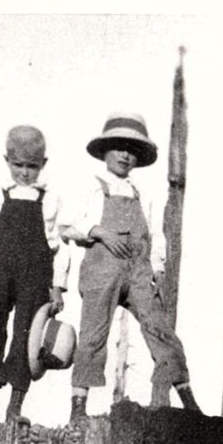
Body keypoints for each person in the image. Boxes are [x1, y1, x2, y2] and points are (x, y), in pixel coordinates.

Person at [60, 111, 201, 422]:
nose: (125, 155)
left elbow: (155, 234)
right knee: (93, 335)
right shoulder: (92, 186)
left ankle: (189, 402)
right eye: (119, 147)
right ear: (105, 151)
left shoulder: (143, 194)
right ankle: (78, 407)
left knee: (160, 329)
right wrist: (98, 231)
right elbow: (66, 225)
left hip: (137, 271)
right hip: (102, 269)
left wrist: (158, 269)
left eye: (132, 150)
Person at [0, 125, 69, 424]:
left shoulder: (50, 199)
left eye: (32, 166)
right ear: (7, 161)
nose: (25, 173)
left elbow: (60, 246)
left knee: (27, 335)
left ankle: (15, 405)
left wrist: (57, 287)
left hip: (35, 273)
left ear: (43, 164)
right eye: (18, 165)